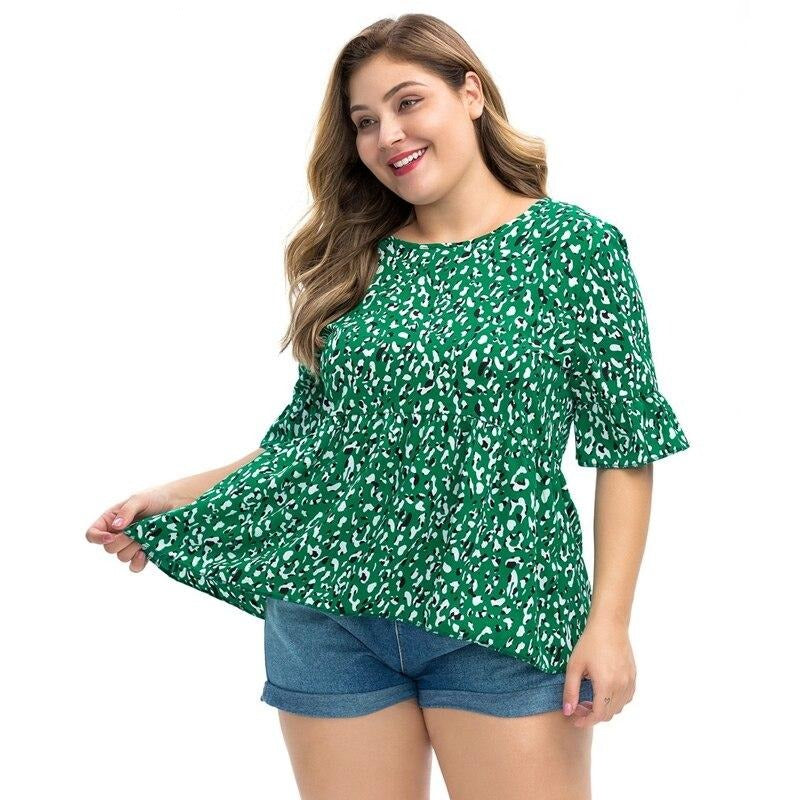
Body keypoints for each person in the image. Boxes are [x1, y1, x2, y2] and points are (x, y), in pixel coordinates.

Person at [86, 14, 690, 800]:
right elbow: (313, 443)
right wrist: (173, 496)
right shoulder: (355, 259)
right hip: (328, 618)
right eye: (365, 121)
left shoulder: (573, 248)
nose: (387, 135)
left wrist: (609, 626)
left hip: (502, 614)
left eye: (408, 103)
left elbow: (626, 446)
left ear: (470, 93)